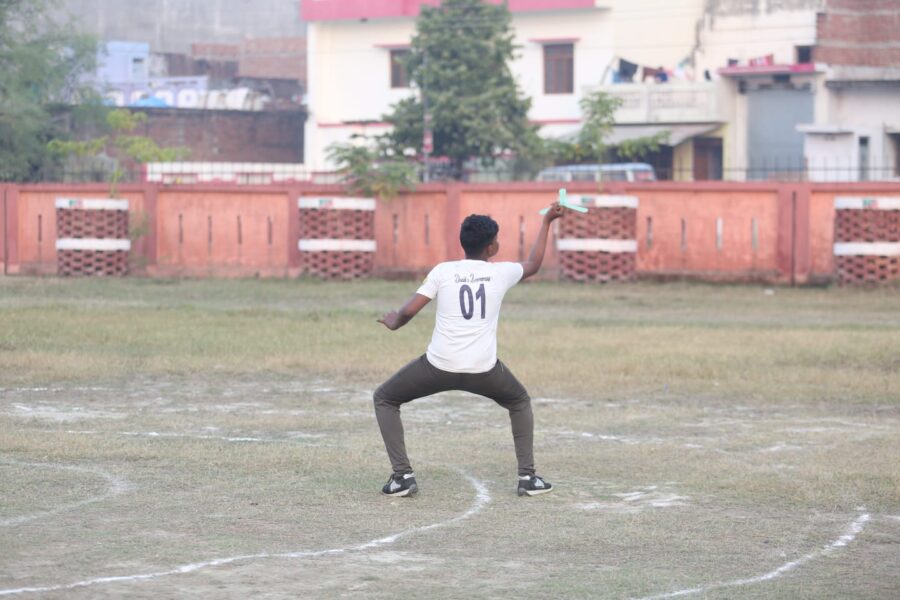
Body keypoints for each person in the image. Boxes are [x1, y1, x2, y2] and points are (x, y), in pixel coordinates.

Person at [375, 201, 565, 497]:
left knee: (384, 398)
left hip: (438, 366)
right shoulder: (501, 273)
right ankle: (528, 478)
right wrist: (547, 222)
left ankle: (402, 477)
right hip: (483, 369)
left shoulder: (443, 271)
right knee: (519, 401)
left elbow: (409, 310)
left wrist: (394, 322)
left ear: (462, 242)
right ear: (491, 248)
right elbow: (534, 264)